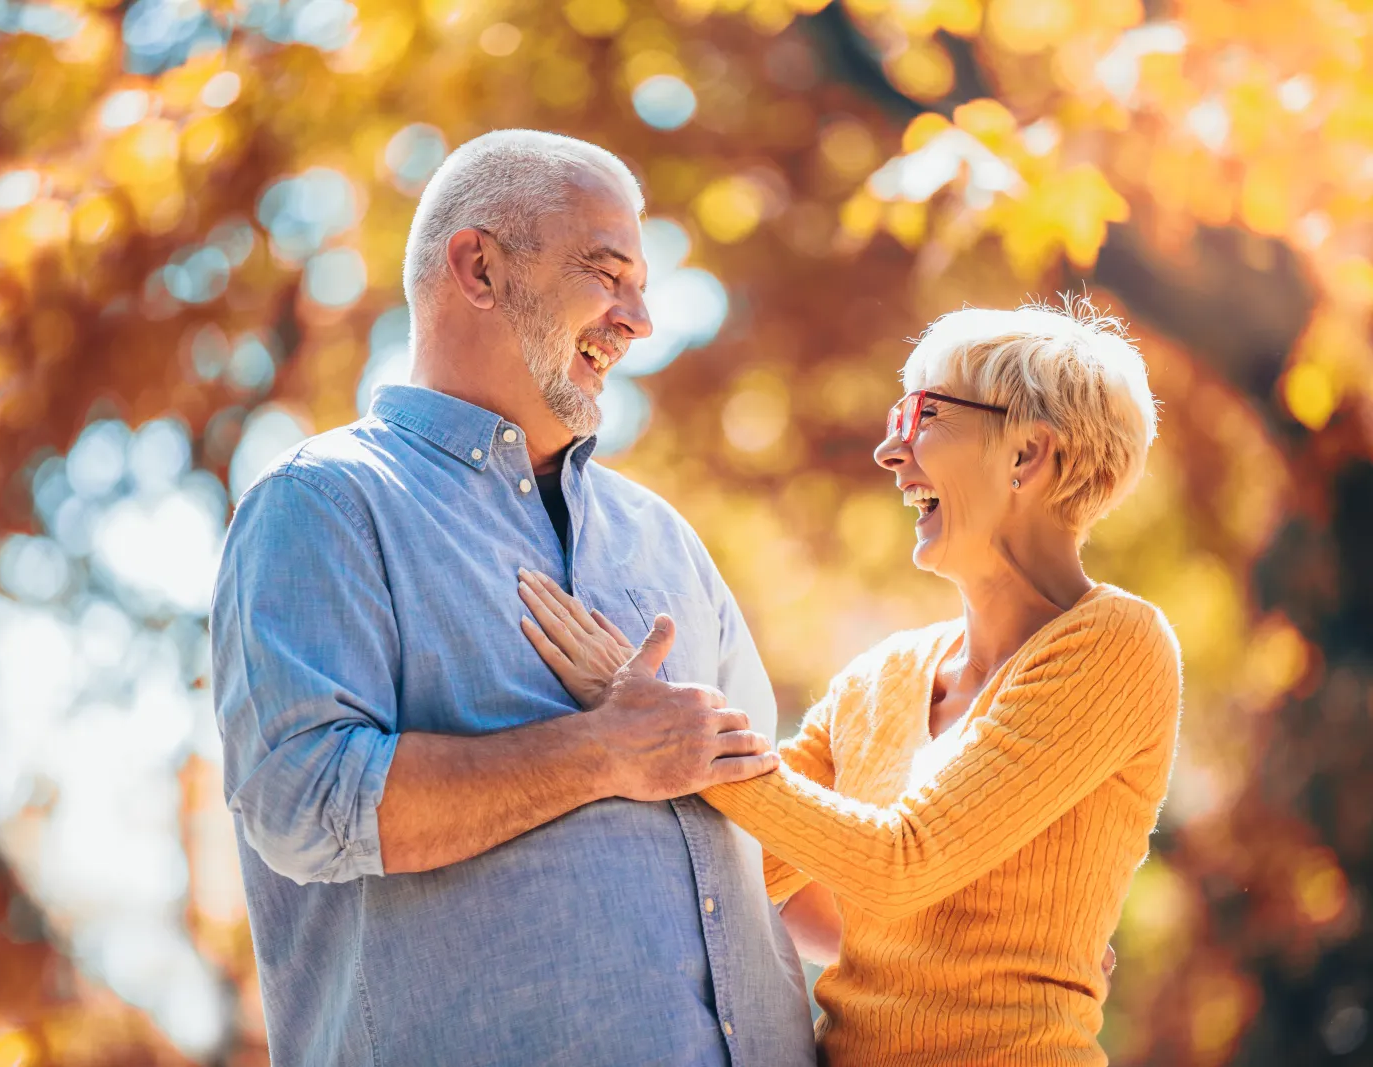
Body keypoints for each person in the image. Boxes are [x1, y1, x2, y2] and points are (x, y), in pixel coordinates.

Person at [210, 129, 815, 1067]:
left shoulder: (667, 543)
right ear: (480, 267)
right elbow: (305, 802)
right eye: (607, 273)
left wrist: (992, 950)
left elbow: (777, 843)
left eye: (640, 284)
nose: (639, 319)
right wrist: (601, 753)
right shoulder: (325, 504)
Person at [517, 302, 1182, 1067]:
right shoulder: (882, 677)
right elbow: (756, 865)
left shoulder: (1115, 644)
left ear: (1027, 454)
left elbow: (904, 862)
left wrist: (678, 732)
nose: (889, 449)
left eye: (923, 412)